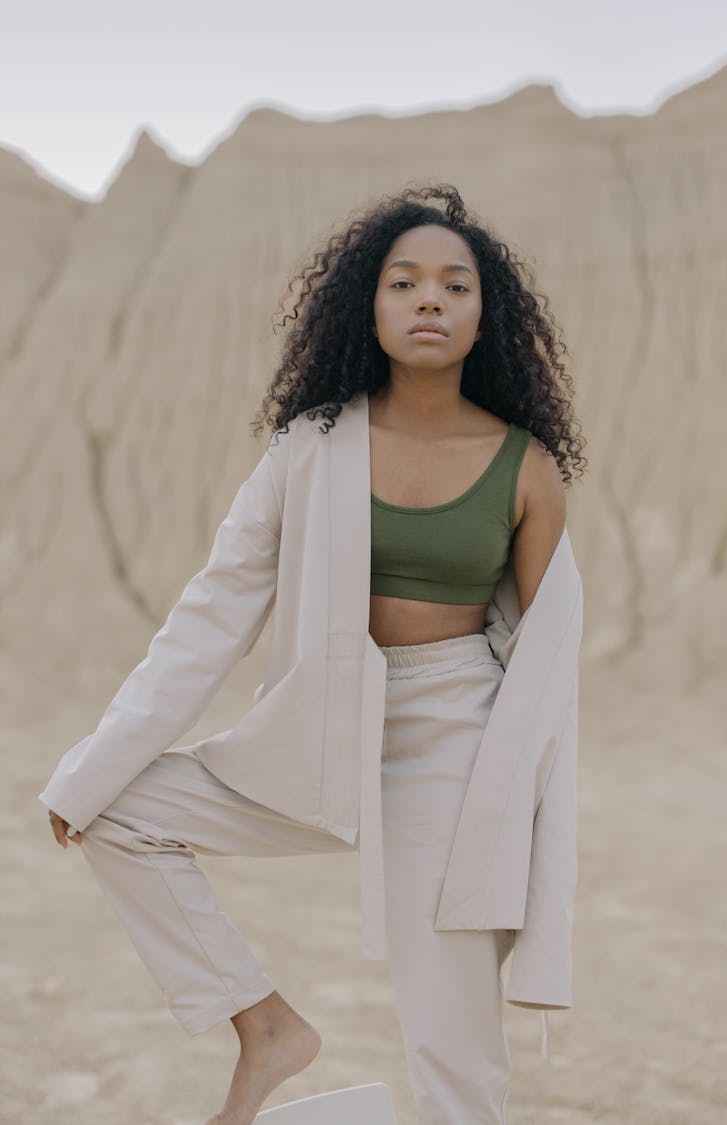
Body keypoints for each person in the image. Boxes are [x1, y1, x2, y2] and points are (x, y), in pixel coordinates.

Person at [41, 182, 587, 1125]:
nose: (428, 299)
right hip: (322, 725)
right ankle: (264, 1024)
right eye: (403, 281)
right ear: (364, 306)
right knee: (116, 804)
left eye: (454, 286)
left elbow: (544, 676)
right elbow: (212, 615)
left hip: (456, 741)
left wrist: (526, 817)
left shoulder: (527, 467)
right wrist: (94, 760)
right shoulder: (308, 447)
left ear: (484, 314)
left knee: (456, 1058)